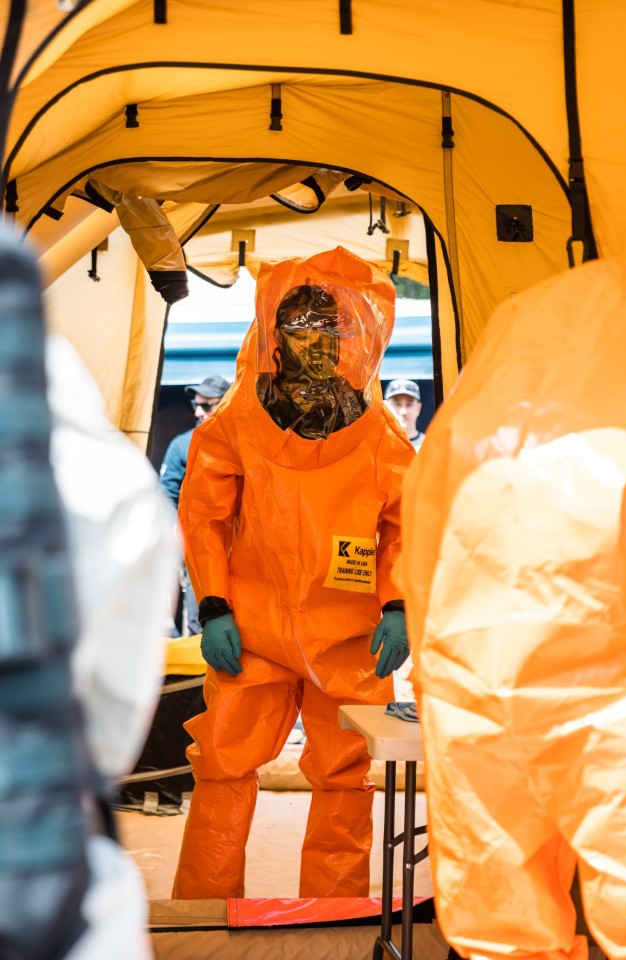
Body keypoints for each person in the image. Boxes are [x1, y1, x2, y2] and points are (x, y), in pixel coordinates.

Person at [396, 259, 626, 960]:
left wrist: (434, 682)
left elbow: (421, 556)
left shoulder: (471, 425)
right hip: (616, 699)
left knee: (501, 926)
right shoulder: (616, 422)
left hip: (477, 698)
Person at [172, 246, 414, 899]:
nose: (315, 343)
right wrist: (215, 605)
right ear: (275, 331)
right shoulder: (238, 424)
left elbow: (404, 527)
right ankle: (205, 916)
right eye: (301, 327)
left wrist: (398, 604)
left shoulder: (383, 437)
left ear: (359, 337)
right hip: (254, 628)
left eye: (330, 329)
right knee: (224, 768)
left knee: (346, 777)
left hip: (348, 637)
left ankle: (333, 917)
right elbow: (204, 515)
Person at [159, 374, 231, 635]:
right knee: (203, 617)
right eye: (196, 405)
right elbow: (166, 493)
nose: (198, 412)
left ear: (226, 403)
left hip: (241, 550)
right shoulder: (182, 445)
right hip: (199, 548)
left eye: (207, 405)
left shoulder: (247, 441)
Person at [384, 378, 425, 450]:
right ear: (386, 407)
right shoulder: (376, 447)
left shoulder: (431, 445)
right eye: (397, 404)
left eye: (409, 404)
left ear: (418, 408)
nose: (403, 411)